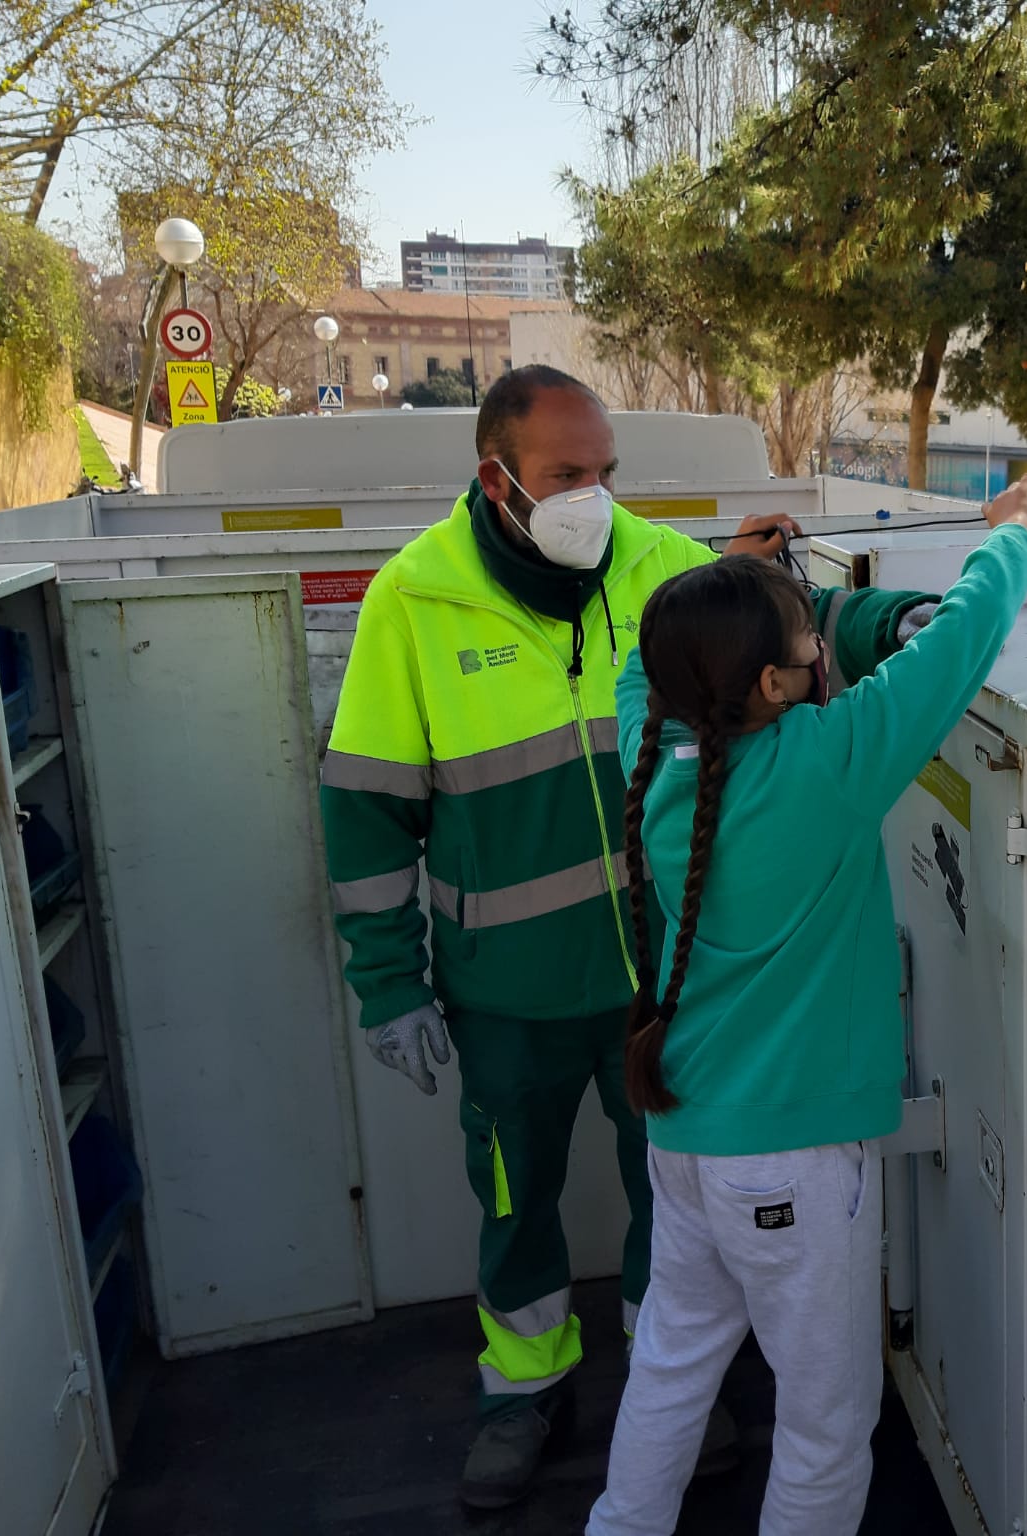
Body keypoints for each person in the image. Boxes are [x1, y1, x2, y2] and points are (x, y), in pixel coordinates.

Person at [319, 366, 939, 1509]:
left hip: (657, 988)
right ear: (496, 479)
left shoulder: (654, 564)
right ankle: (522, 1393)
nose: (592, 499)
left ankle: (677, 1397)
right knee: (515, 1202)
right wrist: (387, 984)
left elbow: (780, 622)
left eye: (604, 472)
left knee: (672, 1208)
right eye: (565, 475)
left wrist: (889, 617)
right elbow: (365, 807)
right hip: (503, 992)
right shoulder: (412, 599)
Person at [586, 475, 1027, 1536]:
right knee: (826, 1421)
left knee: (670, 1362)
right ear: (773, 685)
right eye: (808, 646)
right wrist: (1010, 536)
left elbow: (638, 665)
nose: (821, 657)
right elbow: (957, 647)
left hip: (683, 1141)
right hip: (791, 1165)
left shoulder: (654, 754)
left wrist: (726, 574)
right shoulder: (826, 765)